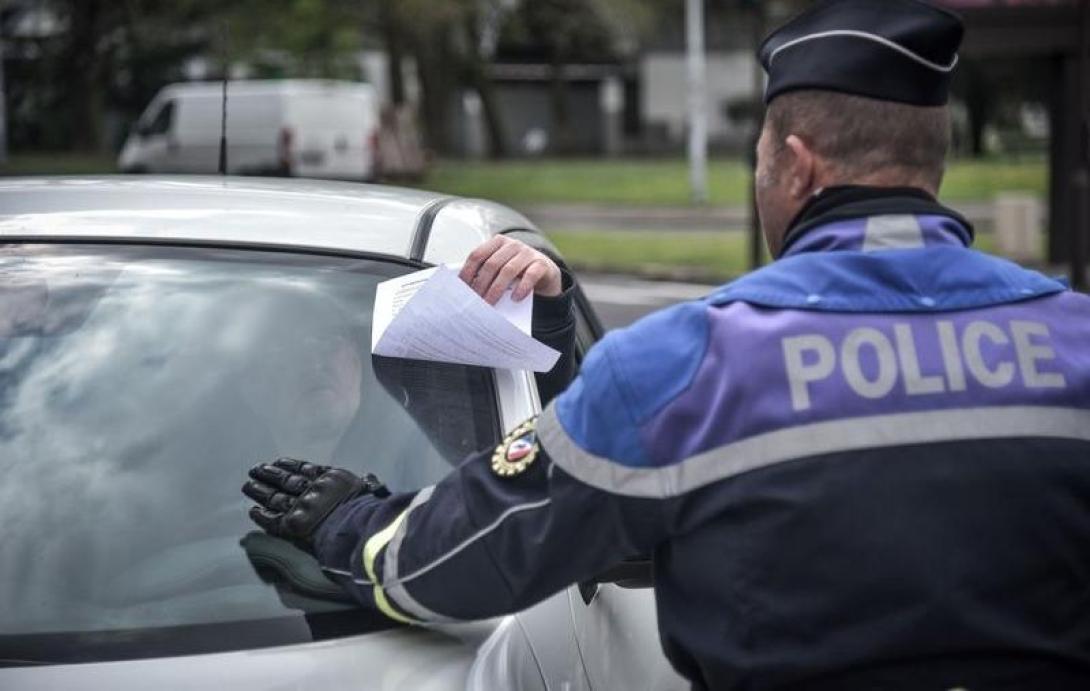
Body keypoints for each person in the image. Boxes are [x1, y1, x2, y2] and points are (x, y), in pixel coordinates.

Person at [243, 1, 1090, 688]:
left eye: (757, 159)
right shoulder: (1076, 342)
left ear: (795, 166)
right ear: (928, 161)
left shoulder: (684, 368)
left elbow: (463, 559)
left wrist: (350, 522)